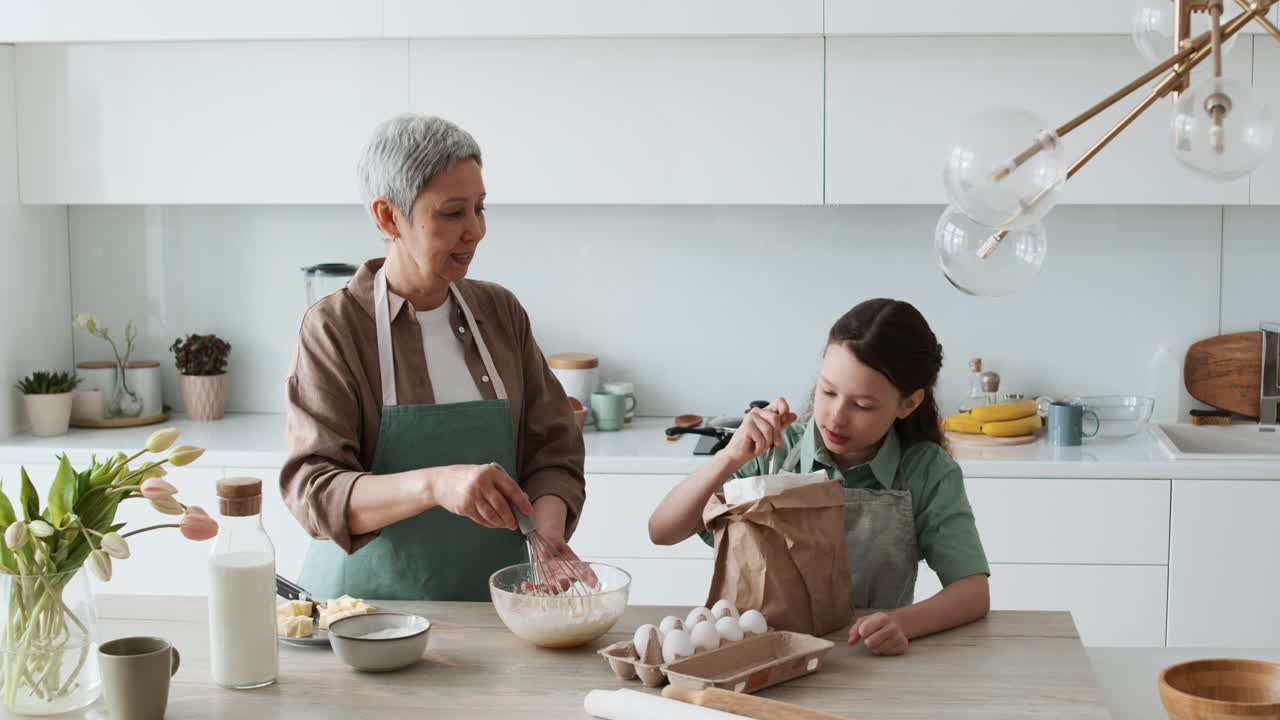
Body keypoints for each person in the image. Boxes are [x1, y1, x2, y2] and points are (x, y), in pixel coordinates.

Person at [281, 114, 587, 601]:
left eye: (480, 209)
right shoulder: (335, 329)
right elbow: (317, 493)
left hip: (494, 611)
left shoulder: (500, 313)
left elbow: (552, 454)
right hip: (364, 618)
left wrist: (546, 539)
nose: (476, 231)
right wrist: (434, 485)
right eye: (453, 213)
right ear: (387, 217)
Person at [649, 299, 989, 655]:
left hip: (866, 658)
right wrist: (730, 456)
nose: (836, 417)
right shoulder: (773, 453)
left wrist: (905, 622)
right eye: (827, 391)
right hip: (759, 655)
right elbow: (663, 531)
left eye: (863, 405)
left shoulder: (926, 471)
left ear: (908, 404)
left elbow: (973, 591)